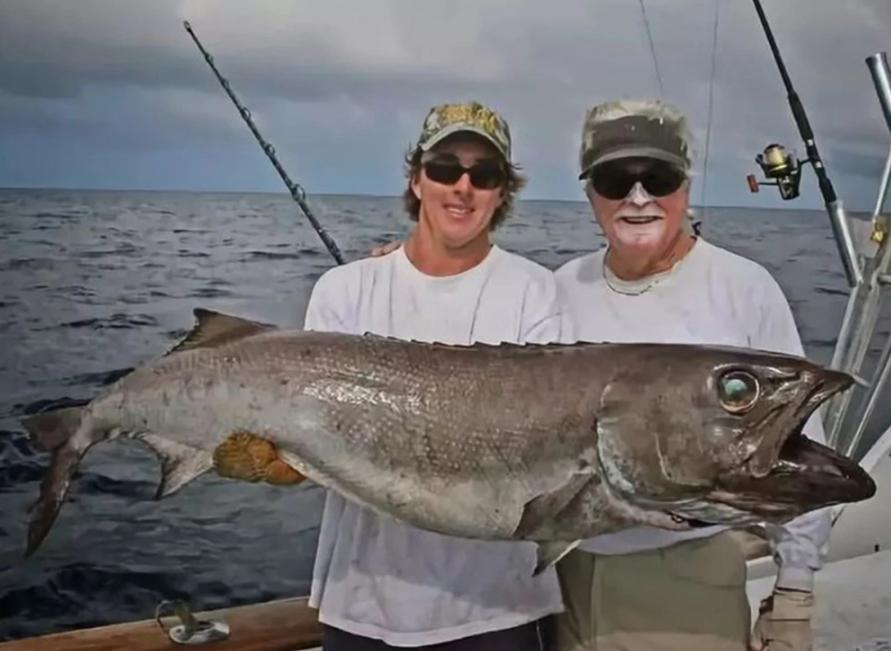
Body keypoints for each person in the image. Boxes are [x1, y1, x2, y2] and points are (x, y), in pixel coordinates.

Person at [552, 98, 828, 651]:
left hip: (687, 580)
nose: (638, 198)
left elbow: (797, 457)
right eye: (614, 180)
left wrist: (794, 591)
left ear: (685, 186)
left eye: (658, 177)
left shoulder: (743, 287)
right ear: (590, 193)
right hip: (564, 577)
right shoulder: (558, 287)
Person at [301, 101, 565, 649]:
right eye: (445, 168)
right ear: (416, 180)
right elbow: (310, 441)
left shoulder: (538, 294)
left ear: (502, 192)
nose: (463, 187)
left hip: (499, 609)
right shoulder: (342, 290)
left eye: (483, 174)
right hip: (360, 604)